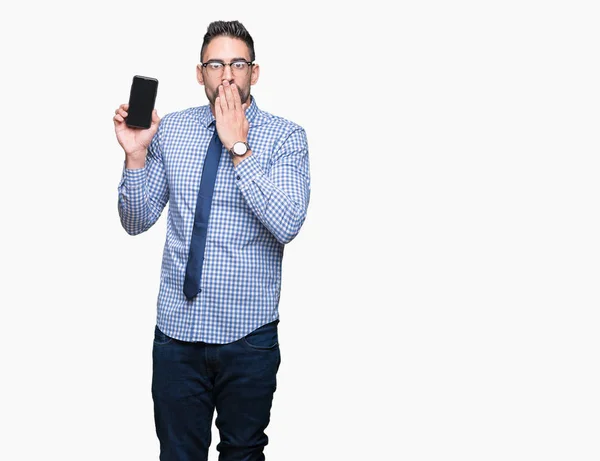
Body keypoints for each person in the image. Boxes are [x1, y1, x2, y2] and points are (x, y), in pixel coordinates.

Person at [113, 20, 310, 461]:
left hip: (248, 337)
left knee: (243, 453)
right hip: (177, 336)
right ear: (199, 73)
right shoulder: (174, 130)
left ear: (254, 73)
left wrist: (239, 147)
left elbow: (288, 222)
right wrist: (136, 155)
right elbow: (136, 219)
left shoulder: (285, 138)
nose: (226, 75)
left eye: (237, 64)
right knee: (178, 455)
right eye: (215, 64)